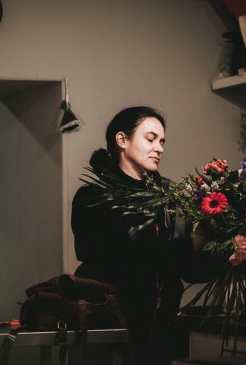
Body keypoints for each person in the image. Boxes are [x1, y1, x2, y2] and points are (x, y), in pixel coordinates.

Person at [71, 106, 205, 364]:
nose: (160, 148)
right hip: (111, 328)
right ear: (122, 140)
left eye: (162, 141)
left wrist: (221, 247)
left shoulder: (169, 196)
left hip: (160, 329)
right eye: (150, 138)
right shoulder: (94, 196)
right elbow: (117, 257)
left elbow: (187, 268)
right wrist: (187, 246)